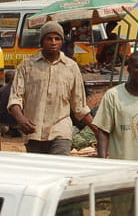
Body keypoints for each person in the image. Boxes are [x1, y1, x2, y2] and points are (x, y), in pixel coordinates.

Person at [9, 21, 95, 154]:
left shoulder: (71, 67)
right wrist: (21, 119)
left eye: (57, 39)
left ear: (62, 42)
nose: (53, 42)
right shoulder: (27, 66)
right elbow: (15, 98)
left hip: (61, 131)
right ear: (42, 41)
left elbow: (79, 106)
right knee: (39, 172)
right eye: (49, 38)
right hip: (33, 132)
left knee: (60, 169)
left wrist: (97, 130)